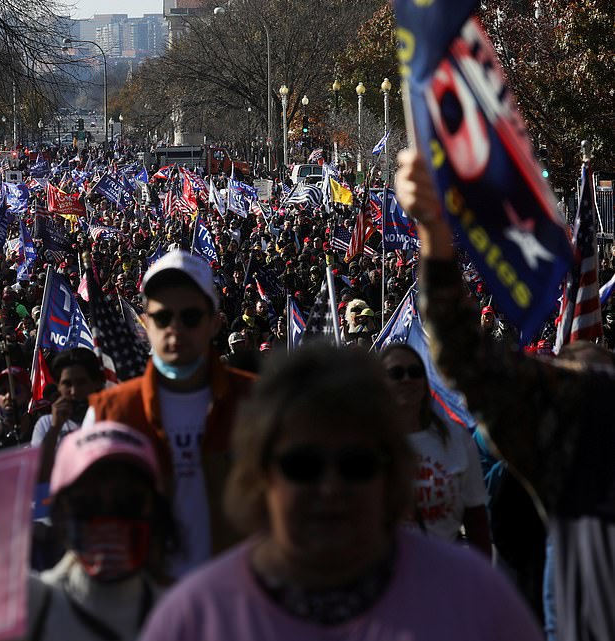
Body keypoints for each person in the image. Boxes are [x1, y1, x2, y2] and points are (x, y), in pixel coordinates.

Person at [139, 346, 542, 641]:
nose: (330, 489)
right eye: (303, 466)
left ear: (394, 471)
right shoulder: (195, 617)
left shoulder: (475, 597)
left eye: (356, 464)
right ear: (258, 475)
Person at [395, 147, 615, 641]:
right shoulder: (578, 428)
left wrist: (434, 227)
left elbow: (462, 353)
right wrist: (432, 227)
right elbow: (462, 354)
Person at [83, 250, 256, 577]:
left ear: (214, 322)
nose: (175, 328)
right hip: (146, 606)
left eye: (190, 317)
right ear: (145, 323)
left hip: (238, 601)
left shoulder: (257, 402)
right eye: (163, 318)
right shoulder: (111, 412)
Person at [19, 422, 176, 641]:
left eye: (127, 501)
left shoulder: (183, 615)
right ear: (60, 512)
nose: (108, 519)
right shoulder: (29, 607)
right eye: (88, 503)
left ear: (155, 509)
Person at [380, 344, 491, 554]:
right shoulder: (365, 442)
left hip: (444, 572)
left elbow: (477, 521)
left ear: (425, 382)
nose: (406, 379)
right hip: (386, 577)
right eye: (396, 373)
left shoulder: (458, 439)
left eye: (415, 372)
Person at [32, 349, 105, 480]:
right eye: (67, 384)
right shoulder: (46, 424)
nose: (74, 391)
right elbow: (37, 473)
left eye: (81, 383)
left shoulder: (108, 418)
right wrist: (55, 429)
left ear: (96, 383)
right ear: (58, 386)